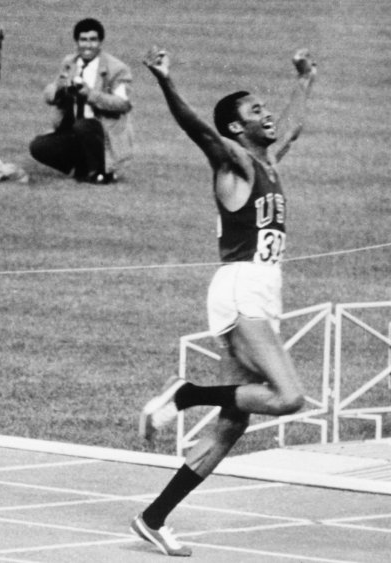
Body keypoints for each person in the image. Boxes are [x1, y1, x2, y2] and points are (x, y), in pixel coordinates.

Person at [130, 46, 317, 556]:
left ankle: (153, 517)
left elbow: (294, 125)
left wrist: (305, 78)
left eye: (265, 107)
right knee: (289, 398)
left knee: (231, 427)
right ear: (237, 130)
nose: (268, 113)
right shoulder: (233, 162)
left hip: (257, 290)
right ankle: (186, 394)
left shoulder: (269, 160)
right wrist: (166, 80)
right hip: (242, 289)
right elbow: (198, 128)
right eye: (256, 111)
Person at [29, 17, 134, 184]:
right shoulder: (70, 62)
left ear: (100, 42)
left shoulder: (117, 69)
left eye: (93, 40)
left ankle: (99, 171)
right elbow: (49, 95)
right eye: (83, 40)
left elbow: (123, 104)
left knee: (84, 125)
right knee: (38, 146)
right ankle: (80, 167)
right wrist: (59, 90)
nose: (88, 45)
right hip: (71, 128)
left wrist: (90, 94)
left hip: (100, 130)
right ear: (77, 42)